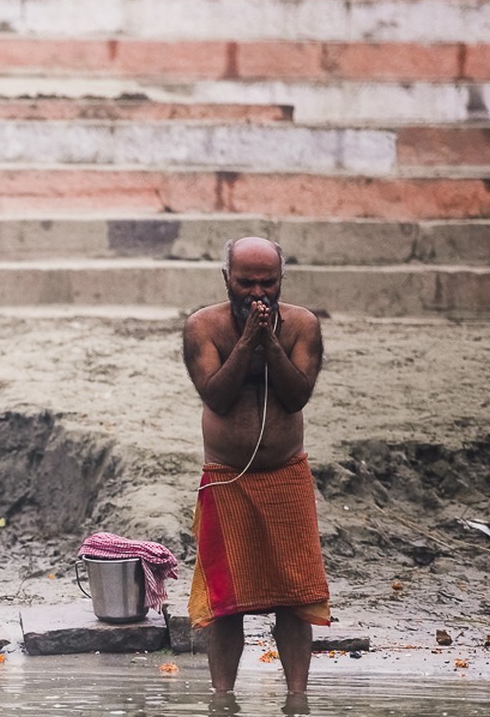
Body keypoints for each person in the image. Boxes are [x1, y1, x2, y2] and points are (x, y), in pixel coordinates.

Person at [181, 237, 329, 698]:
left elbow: (297, 395)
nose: (257, 293)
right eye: (246, 283)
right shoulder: (202, 327)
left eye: (268, 283)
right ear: (227, 279)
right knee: (226, 602)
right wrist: (247, 343)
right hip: (228, 478)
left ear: (282, 281)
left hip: (286, 474)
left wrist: (271, 343)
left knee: (296, 597)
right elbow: (217, 397)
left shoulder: (303, 324)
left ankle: (297, 695)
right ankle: (222, 696)